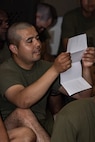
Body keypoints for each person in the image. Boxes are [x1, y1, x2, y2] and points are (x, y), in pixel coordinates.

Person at [0, 22, 94, 141]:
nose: (38, 44)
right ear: (14, 49)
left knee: (75, 116)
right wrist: (54, 70)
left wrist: (86, 67)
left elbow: (83, 96)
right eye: (30, 41)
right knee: (22, 113)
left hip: (42, 124)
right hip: (11, 128)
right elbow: (23, 101)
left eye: (37, 38)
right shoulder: (5, 70)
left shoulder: (45, 67)